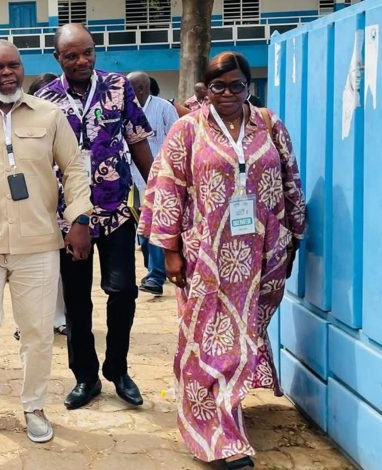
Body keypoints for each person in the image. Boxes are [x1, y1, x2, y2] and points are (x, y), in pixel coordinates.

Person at [138, 52, 306, 469]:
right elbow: (168, 187)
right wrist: (170, 252)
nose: (227, 94)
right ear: (206, 88)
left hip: (263, 253)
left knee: (243, 336)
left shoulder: (268, 124)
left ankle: (229, 404)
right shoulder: (187, 129)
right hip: (208, 256)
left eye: (236, 86)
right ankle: (217, 436)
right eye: (218, 86)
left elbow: (291, 179)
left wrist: (295, 235)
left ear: (248, 86)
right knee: (208, 340)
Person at [0, 39, 92, 443]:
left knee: (38, 331)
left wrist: (79, 216)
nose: (7, 73)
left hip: (38, 243)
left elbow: (74, 168)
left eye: (14, 65)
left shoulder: (50, 114)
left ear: (22, 68)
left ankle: (34, 405)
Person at [35, 24, 153, 411]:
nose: (82, 60)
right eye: (71, 55)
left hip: (116, 211)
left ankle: (117, 369)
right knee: (76, 302)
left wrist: (157, 193)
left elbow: (137, 141)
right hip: (70, 219)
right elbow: (40, 161)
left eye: (88, 52)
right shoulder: (45, 99)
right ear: (58, 58)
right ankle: (85, 377)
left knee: (123, 292)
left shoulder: (118, 87)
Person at [14, 72, 67, 342]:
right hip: (30, 207)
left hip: (61, 206)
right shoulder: (17, 121)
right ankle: (25, 323)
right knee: (24, 273)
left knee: (56, 271)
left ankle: (59, 317)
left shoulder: (55, 119)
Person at [127, 71, 179, 296]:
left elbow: (177, 141)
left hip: (160, 179)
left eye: (129, 88)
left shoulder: (164, 108)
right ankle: (154, 269)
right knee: (143, 228)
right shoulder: (125, 109)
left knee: (156, 225)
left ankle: (155, 276)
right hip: (132, 178)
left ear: (141, 89)